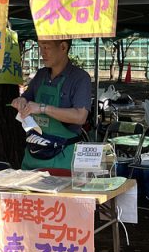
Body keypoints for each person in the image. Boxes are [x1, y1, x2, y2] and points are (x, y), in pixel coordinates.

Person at [11, 39, 91, 170]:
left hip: (63, 158)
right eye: (40, 47)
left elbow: (80, 116)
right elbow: (27, 97)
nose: (42, 53)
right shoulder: (41, 75)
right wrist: (21, 101)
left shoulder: (80, 78)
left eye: (46, 47)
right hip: (34, 154)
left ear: (63, 47)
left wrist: (43, 108)